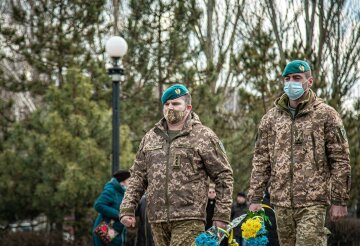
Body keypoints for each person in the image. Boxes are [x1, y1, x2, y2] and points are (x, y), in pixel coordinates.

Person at [248, 60, 351, 246]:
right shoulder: (271, 118)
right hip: (281, 202)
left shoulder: (326, 115)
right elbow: (261, 160)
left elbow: (340, 159)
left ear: (309, 81)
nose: (291, 83)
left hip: (313, 201)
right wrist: (255, 197)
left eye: (297, 78)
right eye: (287, 79)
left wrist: (339, 199)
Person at [120, 84, 234, 246]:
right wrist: (127, 208)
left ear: (188, 107)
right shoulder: (151, 137)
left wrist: (221, 215)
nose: (170, 108)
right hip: (157, 218)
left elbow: (223, 175)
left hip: (189, 217)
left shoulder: (204, 136)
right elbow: (138, 176)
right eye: (167, 104)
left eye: (175, 104)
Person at [93, 170, 131, 246]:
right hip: (104, 228)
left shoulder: (123, 193)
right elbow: (98, 205)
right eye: (129, 180)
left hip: (115, 230)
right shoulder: (111, 190)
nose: (131, 183)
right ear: (122, 182)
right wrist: (119, 214)